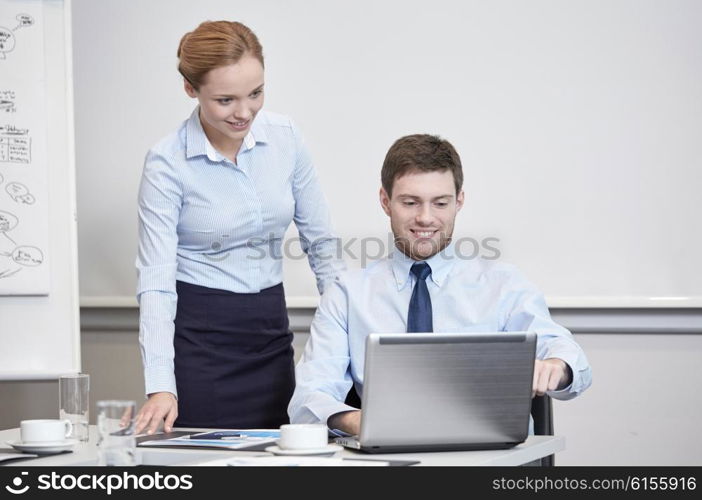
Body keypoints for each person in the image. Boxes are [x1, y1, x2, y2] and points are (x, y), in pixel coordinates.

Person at [288, 134, 592, 435]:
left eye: (440, 203)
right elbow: (308, 400)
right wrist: (363, 423)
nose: (425, 218)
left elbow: (572, 360)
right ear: (385, 201)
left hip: (489, 462)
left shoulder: (503, 285)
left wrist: (558, 365)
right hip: (387, 461)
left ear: (459, 200)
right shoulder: (348, 293)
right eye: (410, 202)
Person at [134, 21, 344, 434]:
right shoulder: (166, 163)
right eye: (226, 100)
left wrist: (348, 337)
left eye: (256, 93)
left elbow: (323, 246)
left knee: (280, 461)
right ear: (190, 90)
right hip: (201, 339)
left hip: (269, 327)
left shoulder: (285, 137)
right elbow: (156, 280)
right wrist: (160, 386)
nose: (244, 112)